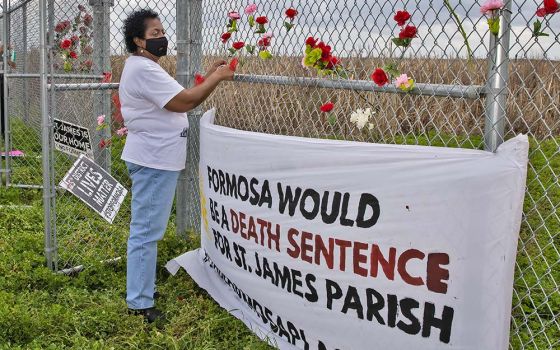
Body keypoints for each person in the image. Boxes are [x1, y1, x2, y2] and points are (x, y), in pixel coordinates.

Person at [119, 9, 233, 324]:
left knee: (146, 229)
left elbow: (178, 97)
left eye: (162, 32)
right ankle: (139, 303)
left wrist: (209, 77)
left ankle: (139, 291)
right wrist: (216, 78)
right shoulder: (144, 68)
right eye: (154, 33)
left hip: (153, 158)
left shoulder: (142, 66)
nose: (162, 38)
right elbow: (183, 102)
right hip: (153, 160)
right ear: (138, 40)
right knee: (146, 231)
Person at [0, 42, 16, 144]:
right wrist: (5, 47)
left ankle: (5, 135)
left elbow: (14, 65)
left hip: (2, 83)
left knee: (4, 109)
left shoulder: (4, 57)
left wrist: (12, 52)